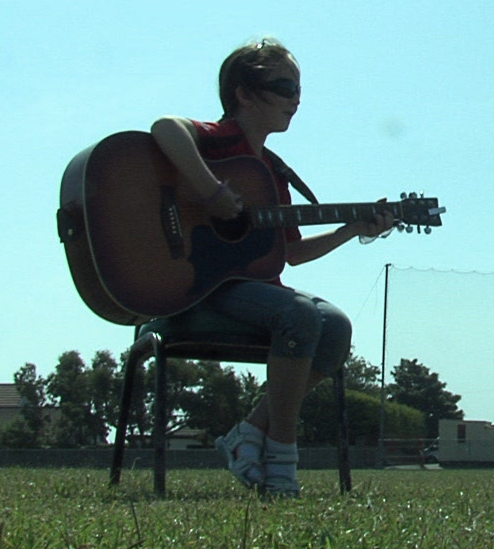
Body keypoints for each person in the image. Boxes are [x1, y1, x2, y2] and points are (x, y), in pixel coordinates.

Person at [150, 38, 394, 496]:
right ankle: (281, 455)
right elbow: (165, 128)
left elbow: (292, 253)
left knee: (336, 327)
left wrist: (351, 229)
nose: (295, 100)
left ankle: (248, 434)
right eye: (284, 86)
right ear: (243, 92)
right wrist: (209, 190)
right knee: (299, 314)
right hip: (194, 292)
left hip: (254, 296)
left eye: (299, 90)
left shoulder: (273, 174)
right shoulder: (220, 143)